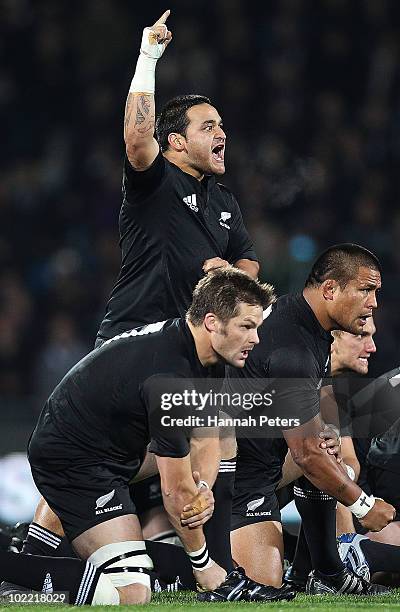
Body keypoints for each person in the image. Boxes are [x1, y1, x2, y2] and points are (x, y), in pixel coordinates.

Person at [10, 8, 260, 590]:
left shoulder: (223, 200)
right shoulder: (154, 182)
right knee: (142, 446)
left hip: (197, 344)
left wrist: (232, 269)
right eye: (207, 126)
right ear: (177, 141)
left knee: (204, 440)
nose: (221, 133)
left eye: (223, 124)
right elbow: (135, 137)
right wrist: (148, 56)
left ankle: (44, 547)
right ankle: (202, 568)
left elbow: (250, 261)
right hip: (134, 336)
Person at [0, 269, 274, 605]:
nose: (256, 339)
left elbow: (205, 438)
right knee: (131, 594)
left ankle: (38, 551)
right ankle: (12, 568)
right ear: (212, 322)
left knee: (220, 439)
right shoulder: (170, 377)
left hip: (112, 449)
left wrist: (203, 490)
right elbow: (175, 490)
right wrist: (204, 566)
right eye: (247, 326)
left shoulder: (203, 353)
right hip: (74, 460)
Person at [208, 244, 395, 601]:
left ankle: (328, 570)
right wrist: (363, 506)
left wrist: (327, 442)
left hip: (261, 466)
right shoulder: (292, 345)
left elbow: (319, 440)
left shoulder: (307, 328)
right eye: (366, 290)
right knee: (263, 586)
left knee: (326, 443)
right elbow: (307, 454)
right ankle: (163, 563)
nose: (373, 303)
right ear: (330, 290)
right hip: (234, 478)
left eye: (376, 292)